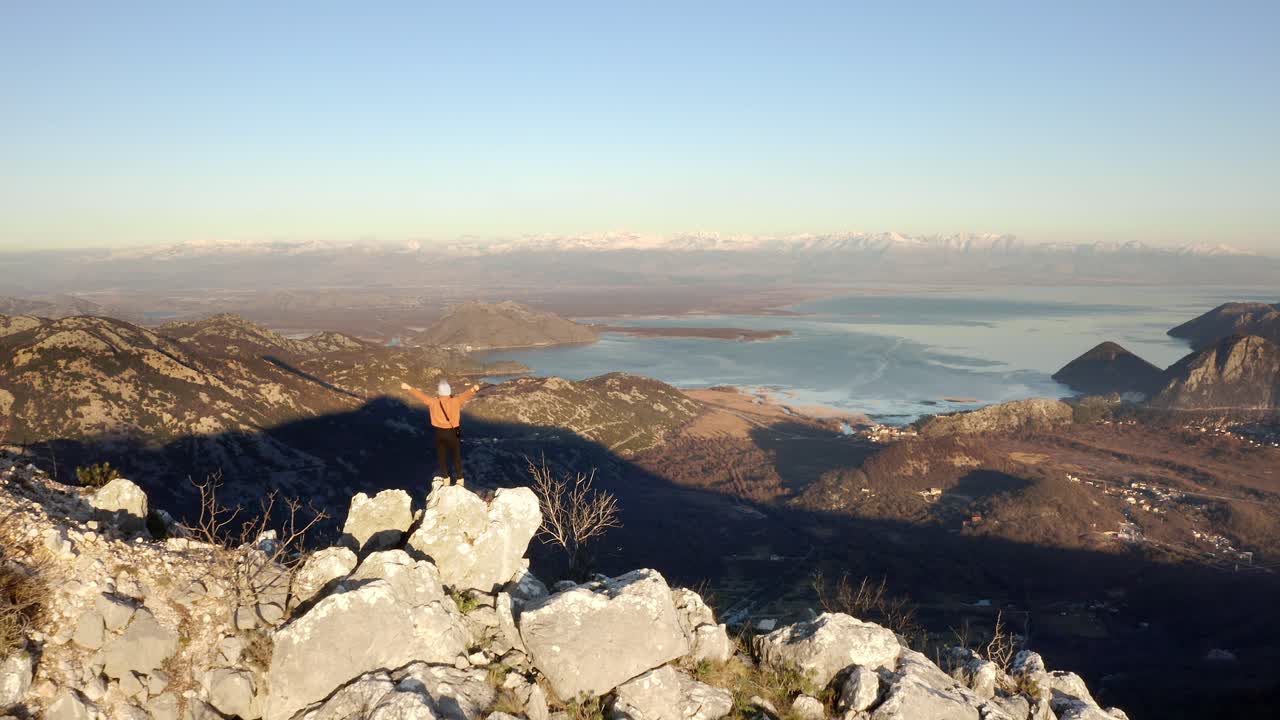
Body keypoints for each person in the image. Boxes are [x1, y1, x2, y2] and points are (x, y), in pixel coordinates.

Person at [401, 379, 481, 490]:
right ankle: (460, 479)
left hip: (440, 433)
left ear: (439, 392)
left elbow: (420, 396)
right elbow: (466, 395)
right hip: (453, 432)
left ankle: (446, 479)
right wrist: (474, 389)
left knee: (442, 457)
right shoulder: (455, 401)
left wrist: (408, 387)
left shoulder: (433, 402)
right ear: (449, 391)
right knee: (456, 456)